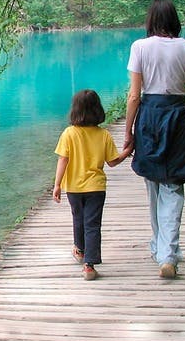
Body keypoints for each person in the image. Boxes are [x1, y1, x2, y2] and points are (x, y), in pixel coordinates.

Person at [123, 0, 185, 280]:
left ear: (150, 21)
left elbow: (134, 94)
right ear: (175, 20)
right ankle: (166, 252)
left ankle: (164, 250)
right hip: (179, 116)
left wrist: (128, 130)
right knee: (173, 185)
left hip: (150, 117)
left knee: (154, 184)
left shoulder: (139, 47)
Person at [53, 89, 132, 281]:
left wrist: (57, 185)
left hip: (73, 187)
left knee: (78, 219)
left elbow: (63, 160)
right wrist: (127, 151)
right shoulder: (103, 135)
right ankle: (89, 265)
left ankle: (79, 250)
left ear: (75, 110)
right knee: (92, 224)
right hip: (96, 187)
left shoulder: (69, 133)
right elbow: (112, 162)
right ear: (97, 109)